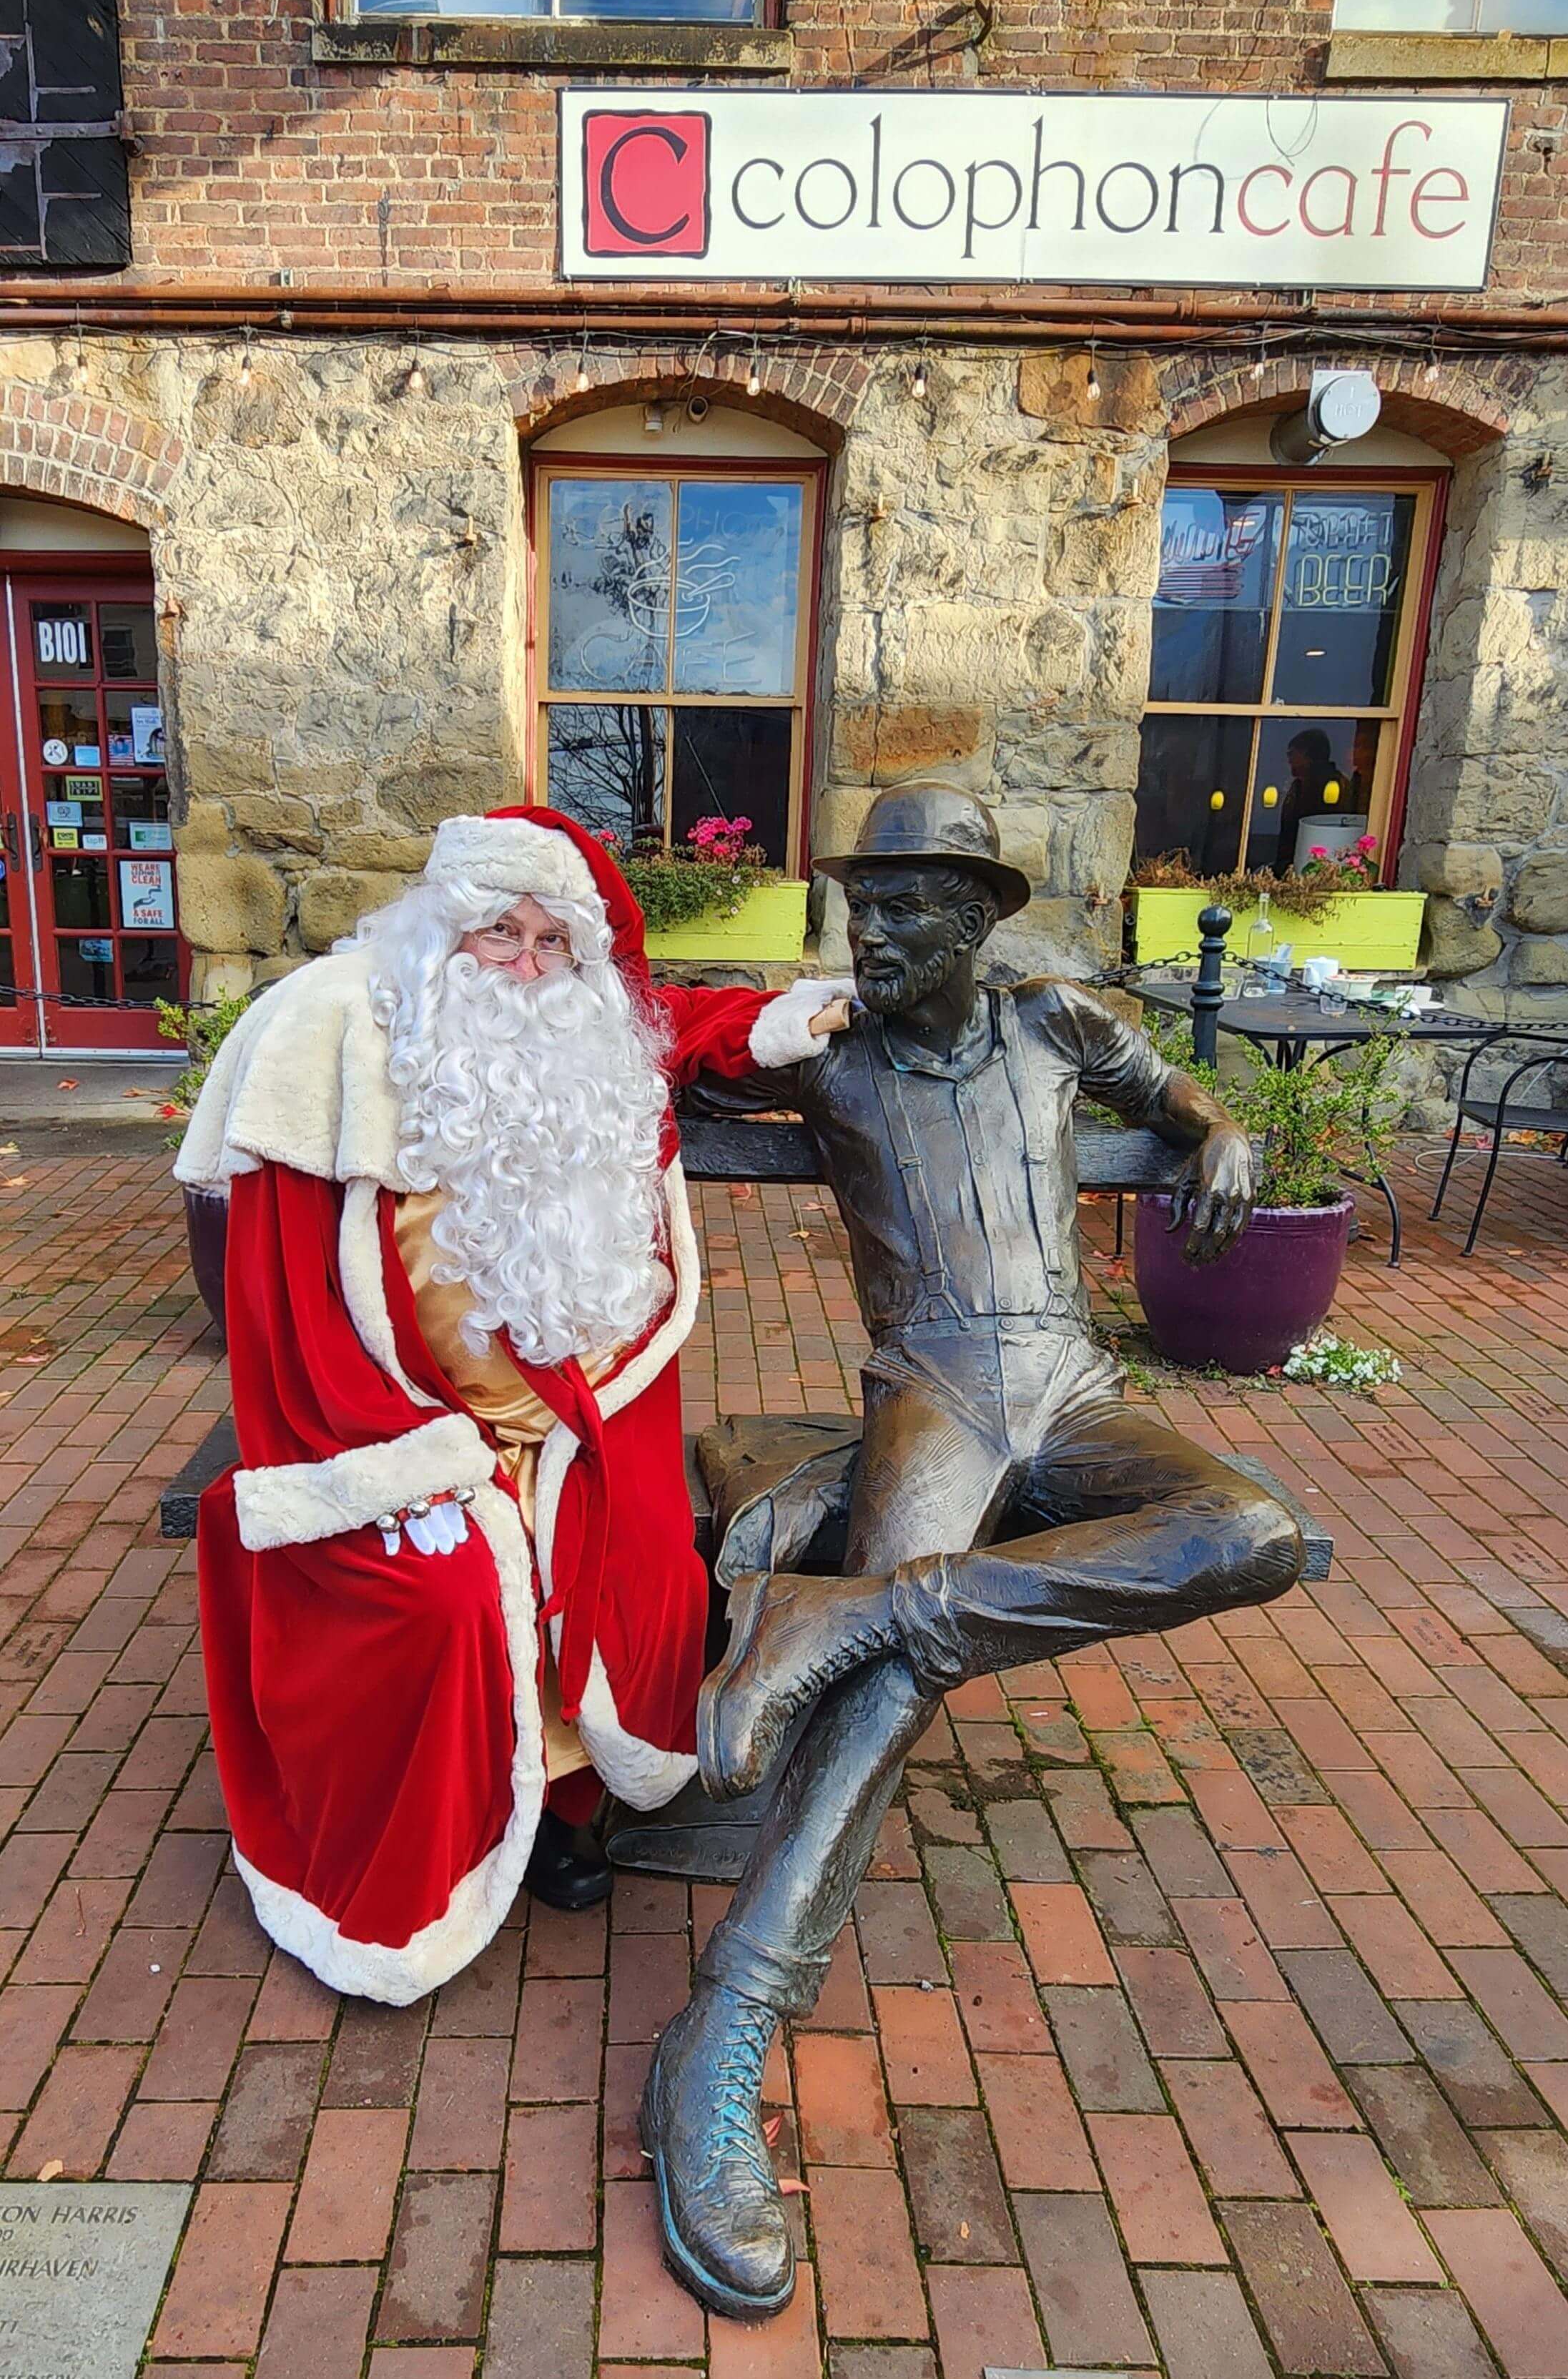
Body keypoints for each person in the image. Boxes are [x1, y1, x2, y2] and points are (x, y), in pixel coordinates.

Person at [640, 783, 1303, 2322]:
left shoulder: (1057, 1023)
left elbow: (1177, 1091)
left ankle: (841, 1613)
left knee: (1253, 1531)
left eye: (906, 909)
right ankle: (721, 2035)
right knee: (893, 1690)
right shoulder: (836, 1063)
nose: (871, 935)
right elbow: (666, 1083)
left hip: (1073, 1388)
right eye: (858, 908)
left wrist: (1219, 1125)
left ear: (980, 917)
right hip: (931, 1391)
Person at [174, 807, 848, 2004]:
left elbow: (679, 1021)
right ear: (443, 929)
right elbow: (279, 1309)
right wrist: (403, 1460)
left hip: (576, 1427)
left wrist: (781, 1020)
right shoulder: (332, 1034)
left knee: (644, 1558)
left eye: (551, 940)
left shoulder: (588, 1036)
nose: (527, 964)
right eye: (500, 934)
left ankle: (560, 1797)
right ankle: (436, 1845)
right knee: (439, 1591)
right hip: (387, 1427)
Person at [1276, 726, 1343, 870]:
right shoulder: (1299, 784)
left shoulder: (1331, 784)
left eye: (1292, 754)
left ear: (1307, 755)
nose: (1289, 760)